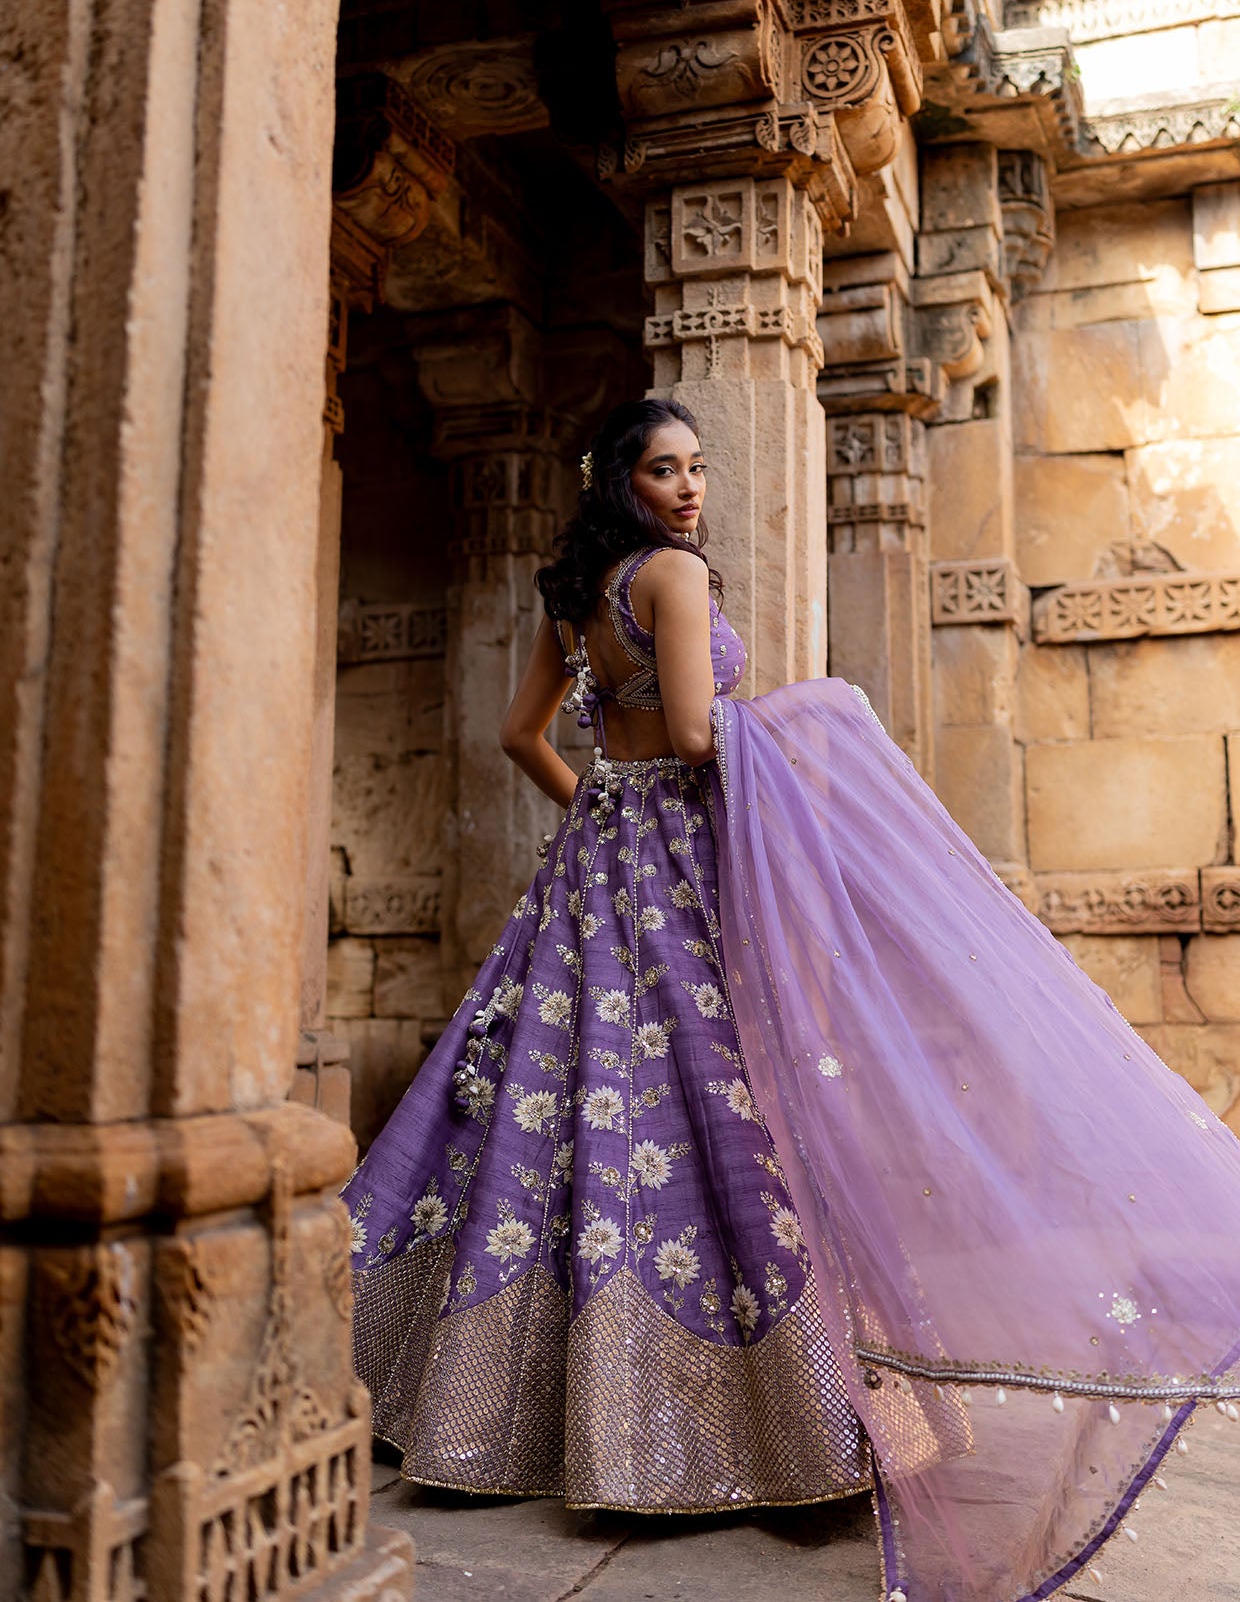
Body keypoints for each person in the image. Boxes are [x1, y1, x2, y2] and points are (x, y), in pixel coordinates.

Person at [343, 397, 1240, 1602]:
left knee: (560, 1105)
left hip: (594, 865)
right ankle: (765, 1423)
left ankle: (490, 1408)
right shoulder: (669, 575)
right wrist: (817, 724)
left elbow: (521, 734)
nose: (690, 487)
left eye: (697, 467)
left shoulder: (572, 594)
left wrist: (600, 806)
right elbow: (699, 736)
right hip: (682, 870)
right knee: (720, 1106)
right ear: (620, 482)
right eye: (665, 469)